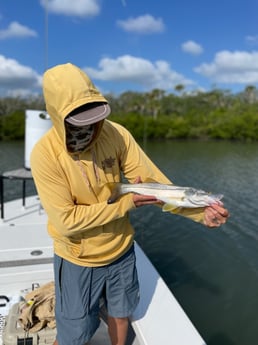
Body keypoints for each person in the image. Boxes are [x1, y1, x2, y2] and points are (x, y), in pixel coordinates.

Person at [30, 63, 229, 345]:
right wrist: (125, 205)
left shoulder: (117, 134)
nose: (89, 126)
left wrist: (200, 213)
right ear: (58, 115)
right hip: (77, 257)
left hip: (121, 250)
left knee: (121, 313)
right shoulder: (45, 155)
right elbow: (66, 220)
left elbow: (154, 183)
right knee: (74, 332)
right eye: (78, 118)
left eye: (93, 115)